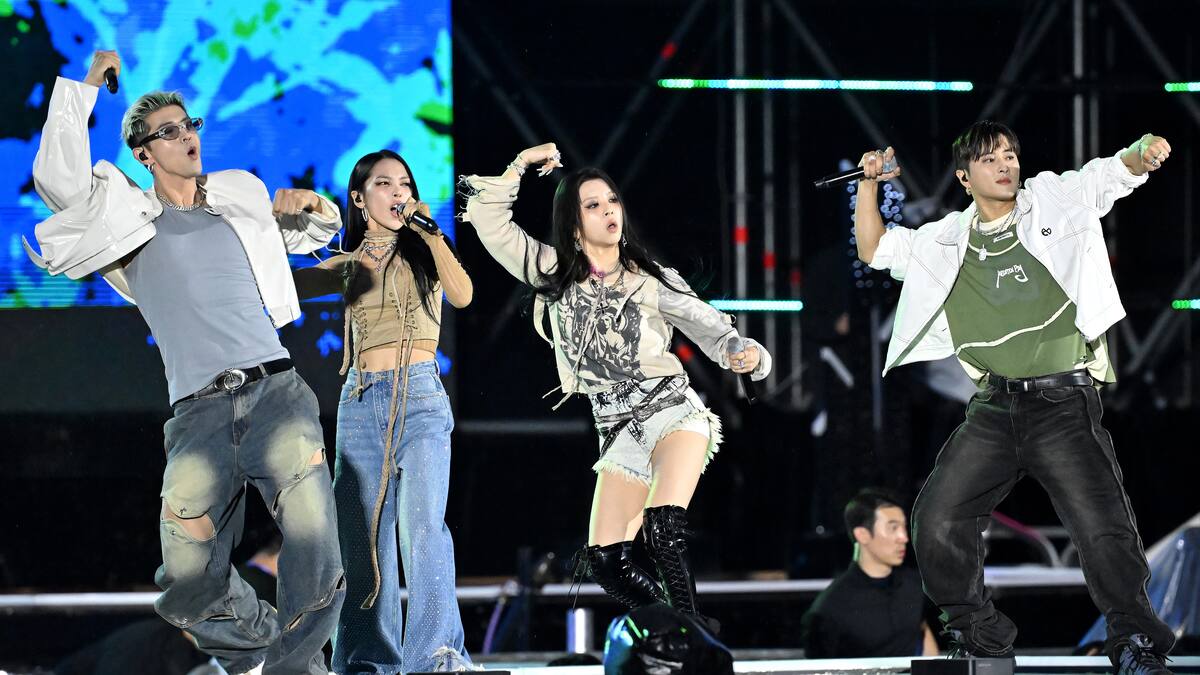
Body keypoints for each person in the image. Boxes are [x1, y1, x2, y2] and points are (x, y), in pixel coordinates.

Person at [26, 51, 345, 675]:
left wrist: (313, 207)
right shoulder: (120, 217)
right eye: (168, 131)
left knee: (315, 546)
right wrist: (86, 83)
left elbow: (305, 236)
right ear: (143, 153)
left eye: (189, 124)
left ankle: (297, 672)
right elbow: (58, 179)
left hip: (275, 393)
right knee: (187, 582)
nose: (187, 136)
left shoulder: (238, 193)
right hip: (199, 415)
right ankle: (280, 657)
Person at [853, 122, 1175, 674]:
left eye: (1009, 154)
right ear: (964, 177)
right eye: (989, 159)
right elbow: (875, 247)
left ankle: (1136, 643)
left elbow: (1106, 176)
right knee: (937, 519)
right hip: (994, 408)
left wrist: (1140, 154)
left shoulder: (1050, 199)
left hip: (1063, 402)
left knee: (1101, 526)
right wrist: (868, 183)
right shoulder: (944, 240)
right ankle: (981, 640)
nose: (1005, 165)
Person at [460, 143, 772, 616]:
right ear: (573, 224)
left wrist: (745, 354)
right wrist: (520, 164)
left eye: (612, 201)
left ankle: (692, 643)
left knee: (663, 527)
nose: (609, 211)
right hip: (617, 431)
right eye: (593, 205)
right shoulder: (551, 272)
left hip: (672, 414)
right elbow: (489, 221)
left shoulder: (651, 279)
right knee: (606, 563)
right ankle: (678, 631)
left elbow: (715, 331)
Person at [293, 150, 475, 672]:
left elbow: (463, 294)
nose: (398, 192)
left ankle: (435, 655)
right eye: (384, 183)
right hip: (359, 402)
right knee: (362, 539)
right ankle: (366, 659)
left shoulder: (426, 252)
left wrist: (433, 234)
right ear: (358, 197)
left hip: (419, 398)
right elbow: (287, 287)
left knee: (423, 528)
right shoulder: (349, 264)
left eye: (405, 184)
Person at [802, 489, 937, 658]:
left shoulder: (915, 585)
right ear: (863, 535)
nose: (904, 537)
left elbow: (922, 635)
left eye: (904, 527)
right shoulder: (830, 607)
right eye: (893, 528)